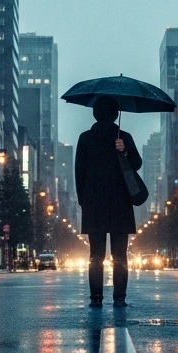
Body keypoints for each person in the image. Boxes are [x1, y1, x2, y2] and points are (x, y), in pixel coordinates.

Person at [74, 97, 141, 307]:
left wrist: (82, 201)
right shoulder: (124, 137)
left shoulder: (85, 138)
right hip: (121, 203)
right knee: (120, 255)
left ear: (95, 113)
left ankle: (95, 297)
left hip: (94, 204)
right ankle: (119, 297)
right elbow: (137, 164)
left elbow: (79, 173)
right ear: (115, 115)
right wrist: (124, 151)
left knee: (95, 255)